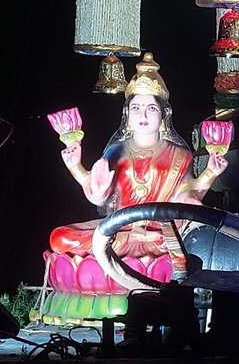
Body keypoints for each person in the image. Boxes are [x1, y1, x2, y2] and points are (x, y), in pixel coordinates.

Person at [50, 53, 226, 261]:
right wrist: (76, 168)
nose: (143, 116)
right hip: (120, 230)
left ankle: (116, 261)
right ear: (127, 116)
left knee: (196, 237)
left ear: (163, 116)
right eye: (136, 109)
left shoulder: (179, 155)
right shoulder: (115, 151)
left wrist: (211, 172)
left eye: (151, 109)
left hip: (160, 234)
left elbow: (186, 198)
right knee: (60, 238)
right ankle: (126, 253)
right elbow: (100, 199)